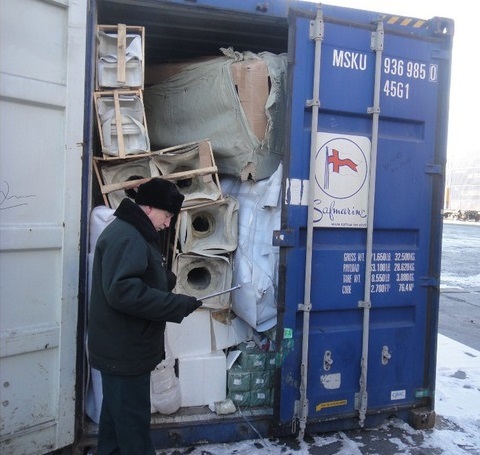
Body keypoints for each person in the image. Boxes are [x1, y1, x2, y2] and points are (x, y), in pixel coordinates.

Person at [88, 177, 202, 455]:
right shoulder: (127, 236)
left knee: (116, 423)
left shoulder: (134, 231)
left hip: (122, 348)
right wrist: (174, 304)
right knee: (134, 428)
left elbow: (136, 275)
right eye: (167, 216)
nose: (168, 223)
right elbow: (123, 291)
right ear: (149, 208)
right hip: (124, 350)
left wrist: (163, 279)